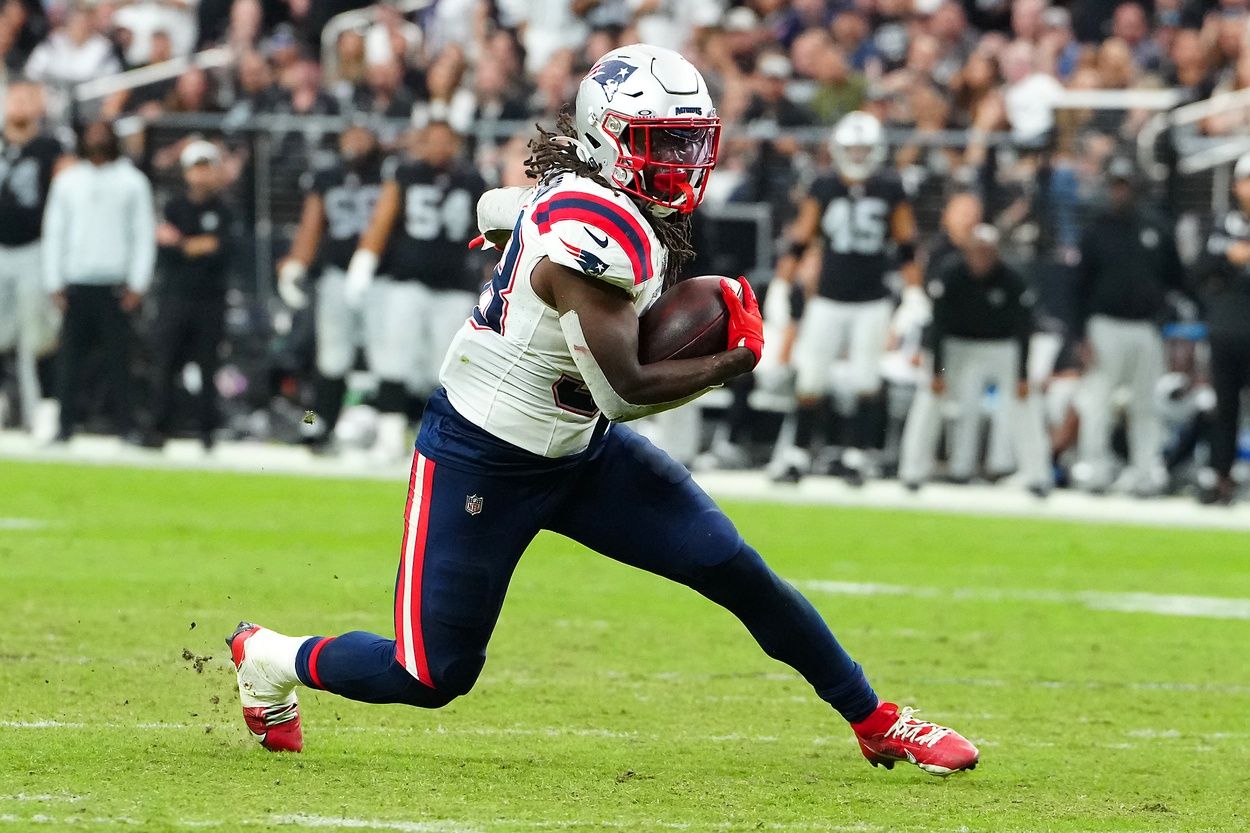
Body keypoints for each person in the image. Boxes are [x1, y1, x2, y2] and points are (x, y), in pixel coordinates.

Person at [226, 44, 979, 778]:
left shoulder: (587, 198)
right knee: (431, 673)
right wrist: (734, 359)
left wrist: (507, 230)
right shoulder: (594, 238)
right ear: (607, 139)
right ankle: (270, 657)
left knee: (731, 564)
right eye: (664, 141)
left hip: (579, 449)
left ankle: (876, 719)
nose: (685, 159)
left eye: (691, 140)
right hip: (483, 454)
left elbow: (505, 206)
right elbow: (625, 389)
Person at [773, 110, 920, 485]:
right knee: (811, 377)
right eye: (851, 149)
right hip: (828, 295)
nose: (857, 157)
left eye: (863, 150)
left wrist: (915, 290)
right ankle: (798, 454)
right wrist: (780, 283)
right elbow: (800, 239)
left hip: (872, 298)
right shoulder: (823, 185)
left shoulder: (889, 186)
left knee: (866, 379)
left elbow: (906, 245)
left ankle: (857, 456)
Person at [342, 121, 486, 461]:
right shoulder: (406, 174)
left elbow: (488, 231)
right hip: (408, 281)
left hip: (454, 285)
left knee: (446, 367)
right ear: (420, 144)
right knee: (394, 357)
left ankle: (439, 440)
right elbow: (384, 218)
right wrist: (363, 261)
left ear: (455, 143)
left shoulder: (473, 180)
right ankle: (391, 436)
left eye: (444, 140)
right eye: (431, 140)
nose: (437, 147)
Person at [898, 224, 1051, 494]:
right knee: (930, 397)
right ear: (967, 253)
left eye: (987, 253)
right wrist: (938, 371)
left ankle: (1037, 475)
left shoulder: (1012, 279)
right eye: (976, 252)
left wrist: (1022, 376)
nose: (981, 259)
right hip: (956, 346)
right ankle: (912, 470)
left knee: (1025, 401)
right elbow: (939, 327)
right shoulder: (951, 275)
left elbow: (1023, 330)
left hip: (1001, 347)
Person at [1073, 158, 1185, 496]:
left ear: (1135, 188)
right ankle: (1094, 468)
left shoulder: (1156, 228)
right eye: (1115, 185)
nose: (1120, 192)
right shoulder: (1096, 230)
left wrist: (1163, 318)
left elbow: (1175, 278)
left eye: (1125, 185)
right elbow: (1078, 285)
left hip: (1145, 327)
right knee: (1098, 401)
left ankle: (1144, 471)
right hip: (1105, 325)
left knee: (1146, 404)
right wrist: (1080, 334)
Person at [42, 121, 156, 443]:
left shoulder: (132, 182)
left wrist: (138, 282)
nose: (97, 139)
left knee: (120, 361)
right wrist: (54, 280)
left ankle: (126, 427)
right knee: (68, 363)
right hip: (77, 282)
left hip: (115, 285)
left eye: (102, 134)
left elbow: (142, 233)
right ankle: (64, 427)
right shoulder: (68, 181)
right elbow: (55, 232)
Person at [276, 125, 386, 450]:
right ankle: (315, 424)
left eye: (363, 133)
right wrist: (296, 262)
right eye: (350, 134)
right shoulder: (326, 177)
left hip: (381, 279)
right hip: (335, 276)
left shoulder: (388, 174)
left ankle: (391, 430)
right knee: (326, 358)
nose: (356, 141)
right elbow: (312, 223)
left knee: (386, 357)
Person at [144, 140, 232, 450]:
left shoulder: (225, 209)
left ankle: (208, 431)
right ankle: (160, 427)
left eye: (207, 167)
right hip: (175, 296)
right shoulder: (173, 207)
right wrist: (195, 246)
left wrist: (183, 244)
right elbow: (170, 248)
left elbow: (220, 249)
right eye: (197, 167)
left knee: (208, 366)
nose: (202, 175)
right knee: (165, 363)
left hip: (210, 299)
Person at [0, 81, 66, 433]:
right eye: (15, 97)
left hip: (32, 248)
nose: (19, 104)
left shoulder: (50, 148)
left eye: (27, 98)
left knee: (34, 337)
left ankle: (37, 412)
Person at [1193, 153, 1250, 505]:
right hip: (1227, 328)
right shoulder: (1222, 225)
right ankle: (1221, 476)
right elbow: (1200, 271)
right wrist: (1229, 259)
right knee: (1224, 407)